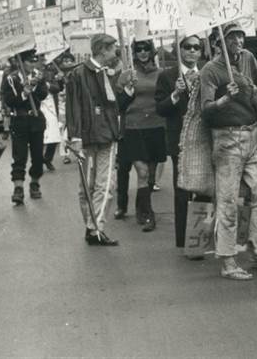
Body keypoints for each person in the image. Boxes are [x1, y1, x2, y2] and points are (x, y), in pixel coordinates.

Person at [200, 21, 257, 280]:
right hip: (227, 139)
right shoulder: (210, 70)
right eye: (232, 38)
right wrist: (224, 99)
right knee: (227, 200)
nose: (238, 42)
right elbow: (206, 108)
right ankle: (227, 260)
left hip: (253, 134)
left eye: (240, 37)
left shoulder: (248, 59)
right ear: (217, 43)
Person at [64, 34, 132, 246]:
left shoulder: (112, 73)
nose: (116, 54)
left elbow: (116, 104)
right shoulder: (78, 74)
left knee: (106, 185)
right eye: (113, 49)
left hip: (108, 135)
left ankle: (96, 227)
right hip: (86, 136)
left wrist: (127, 89)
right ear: (102, 50)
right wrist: (74, 137)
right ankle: (91, 226)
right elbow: (72, 107)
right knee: (87, 186)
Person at [154, 33, 211, 250]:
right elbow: (160, 108)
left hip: (204, 139)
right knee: (183, 190)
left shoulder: (207, 72)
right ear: (180, 50)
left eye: (197, 47)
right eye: (188, 47)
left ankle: (201, 237)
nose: (193, 51)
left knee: (206, 188)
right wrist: (175, 94)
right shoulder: (167, 76)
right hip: (180, 141)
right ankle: (183, 239)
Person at [117, 40, 165, 232]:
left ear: (152, 51)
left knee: (151, 176)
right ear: (134, 53)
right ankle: (147, 215)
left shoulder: (162, 74)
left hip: (156, 126)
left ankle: (140, 208)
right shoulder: (127, 75)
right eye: (139, 50)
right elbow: (119, 105)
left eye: (146, 49)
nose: (143, 53)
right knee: (142, 172)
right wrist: (128, 89)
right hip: (134, 127)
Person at [1, 50, 49, 205]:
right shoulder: (11, 78)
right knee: (19, 155)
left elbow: (43, 95)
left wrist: (36, 85)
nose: (32, 64)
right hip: (19, 119)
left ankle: (35, 183)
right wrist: (23, 93)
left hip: (36, 119)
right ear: (20, 61)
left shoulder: (39, 75)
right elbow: (9, 99)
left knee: (37, 156)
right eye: (28, 61)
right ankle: (18, 187)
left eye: (34, 61)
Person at [40, 58, 65, 172]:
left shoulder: (51, 71)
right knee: (40, 137)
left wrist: (49, 84)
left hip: (51, 107)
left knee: (54, 136)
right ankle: (38, 160)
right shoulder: (31, 73)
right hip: (39, 107)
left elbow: (57, 88)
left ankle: (48, 159)